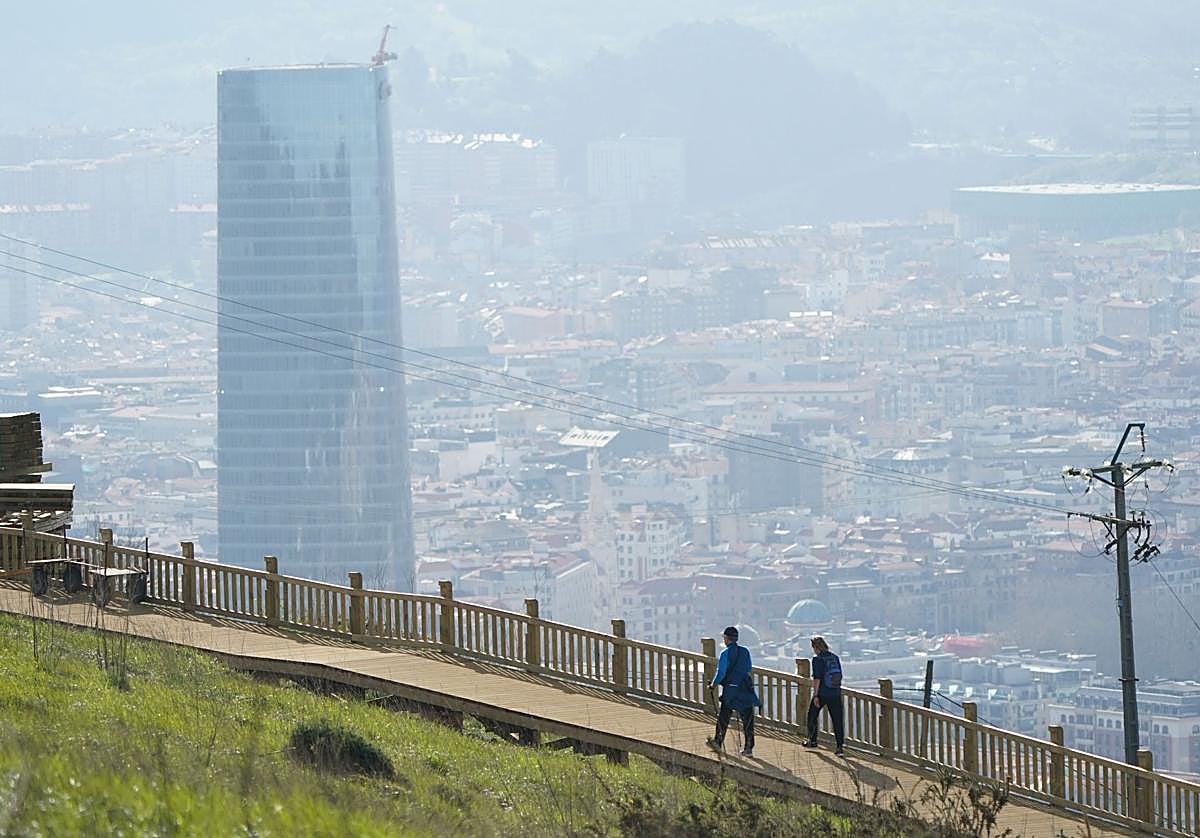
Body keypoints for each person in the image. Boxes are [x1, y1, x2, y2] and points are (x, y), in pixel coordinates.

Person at [706, 626, 760, 756]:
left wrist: (713, 685)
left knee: (724, 717)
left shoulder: (725, 653)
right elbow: (748, 668)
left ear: (726, 639)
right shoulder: (745, 651)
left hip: (731, 690)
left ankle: (718, 742)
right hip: (745, 688)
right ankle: (749, 748)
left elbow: (721, 672)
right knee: (747, 719)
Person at [802, 636, 845, 755]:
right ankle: (840, 747)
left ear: (816, 647)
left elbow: (817, 679)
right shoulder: (834, 657)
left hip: (822, 693)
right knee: (837, 720)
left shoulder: (817, 659)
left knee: (812, 715)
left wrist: (815, 695)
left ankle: (813, 740)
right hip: (835, 693)